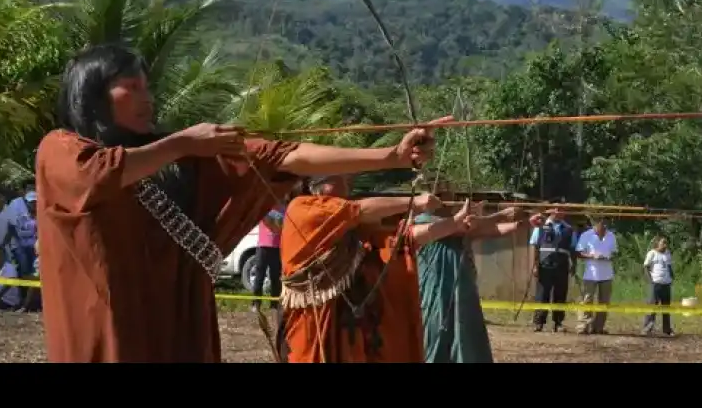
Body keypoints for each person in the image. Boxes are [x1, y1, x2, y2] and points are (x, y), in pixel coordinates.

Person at [35, 43, 446, 363]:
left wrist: (390, 156)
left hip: (175, 331)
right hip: (107, 335)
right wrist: (182, 143)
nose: (149, 98)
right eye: (133, 86)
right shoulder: (61, 149)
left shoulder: (181, 162)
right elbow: (100, 174)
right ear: (93, 94)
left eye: (148, 86)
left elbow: (283, 155)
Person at [278, 175, 467, 363]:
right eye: (339, 180)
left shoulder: (347, 225)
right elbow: (359, 209)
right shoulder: (301, 209)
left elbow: (399, 242)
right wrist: (414, 202)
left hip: (348, 332)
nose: (347, 187)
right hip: (311, 328)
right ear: (316, 186)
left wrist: (454, 223)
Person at [417, 202, 534, 362]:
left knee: (464, 325)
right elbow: (464, 226)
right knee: (435, 326)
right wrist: (501, 215)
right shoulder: (423, 221)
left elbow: (490, 230)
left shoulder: (455, 222)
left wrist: (520, 224)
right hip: (436, 286)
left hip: (461, 286)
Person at [530, 208, 577, 333]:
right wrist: (535, 265)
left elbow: (572, 249)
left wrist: (574, 265)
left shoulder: (569, 229)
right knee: (542, 294)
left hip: (562, 265)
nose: (559, 212)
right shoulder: (540, 226)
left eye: (562, 210)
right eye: (556, 210)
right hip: (545, 264)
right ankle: (539, 322)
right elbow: (535, 246)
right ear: (551, 211)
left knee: (560, 294)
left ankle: (558, 322)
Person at [575, 217, 617, 335]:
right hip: (590, 274)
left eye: (606, 225)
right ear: (596, 224)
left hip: (607, 274)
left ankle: (598, 327)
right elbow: (579, 252)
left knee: (604, 302)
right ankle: (583, 325)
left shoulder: (611, 236)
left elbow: (614, 252)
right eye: (602, 225)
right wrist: (592, 256)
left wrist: (609, 256)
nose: (604, 227)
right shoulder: (586, 235)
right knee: (587, 299)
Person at [250, 202, 285, 313]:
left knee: (275, 277)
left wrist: (278, 226)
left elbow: (283, 227)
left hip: (277, 247)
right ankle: (256, 303)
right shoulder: (264, 208)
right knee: (259, 276)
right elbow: (267, 222)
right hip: (263, 246)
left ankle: (274, 305)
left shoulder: (285, 209)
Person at [642, 236, 675, 336]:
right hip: (655, 284)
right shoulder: (652, 253)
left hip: (666, 284)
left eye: (666, 243)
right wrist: (651, 281)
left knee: (666, 308)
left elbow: (669, 266)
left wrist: (672, 276)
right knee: (652, 307)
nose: (665, 245)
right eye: (663, 243)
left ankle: (667, 329)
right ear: (657, 244)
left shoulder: (667, 253)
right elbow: (646, 267)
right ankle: (647, 328)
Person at [14, 192, 38, 277]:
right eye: (31, 202)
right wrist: (33, 232)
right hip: (23, 249)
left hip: (36, 250)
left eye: (35, 202)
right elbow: (19, 233)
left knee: (35, 272)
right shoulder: (22, 217)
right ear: (27, 203)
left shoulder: (40, 217)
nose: (33, 204)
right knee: (24, 271)